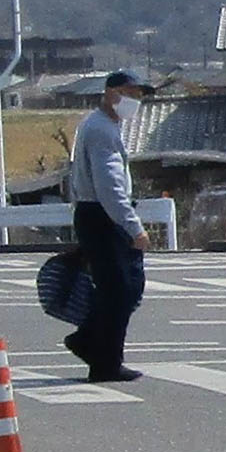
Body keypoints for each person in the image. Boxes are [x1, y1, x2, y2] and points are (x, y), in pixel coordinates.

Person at [64, 70, 152, 382]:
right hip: (103, 216)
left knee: (118, 289)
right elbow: (110, 185)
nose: (135, 100)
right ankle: (104, 361)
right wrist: (134, 227)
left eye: (139, 95)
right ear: (111, 93)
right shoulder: (102, 130)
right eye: (131, 93)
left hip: (94, 214)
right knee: (120, 290)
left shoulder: (98, 124)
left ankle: (90, 343)